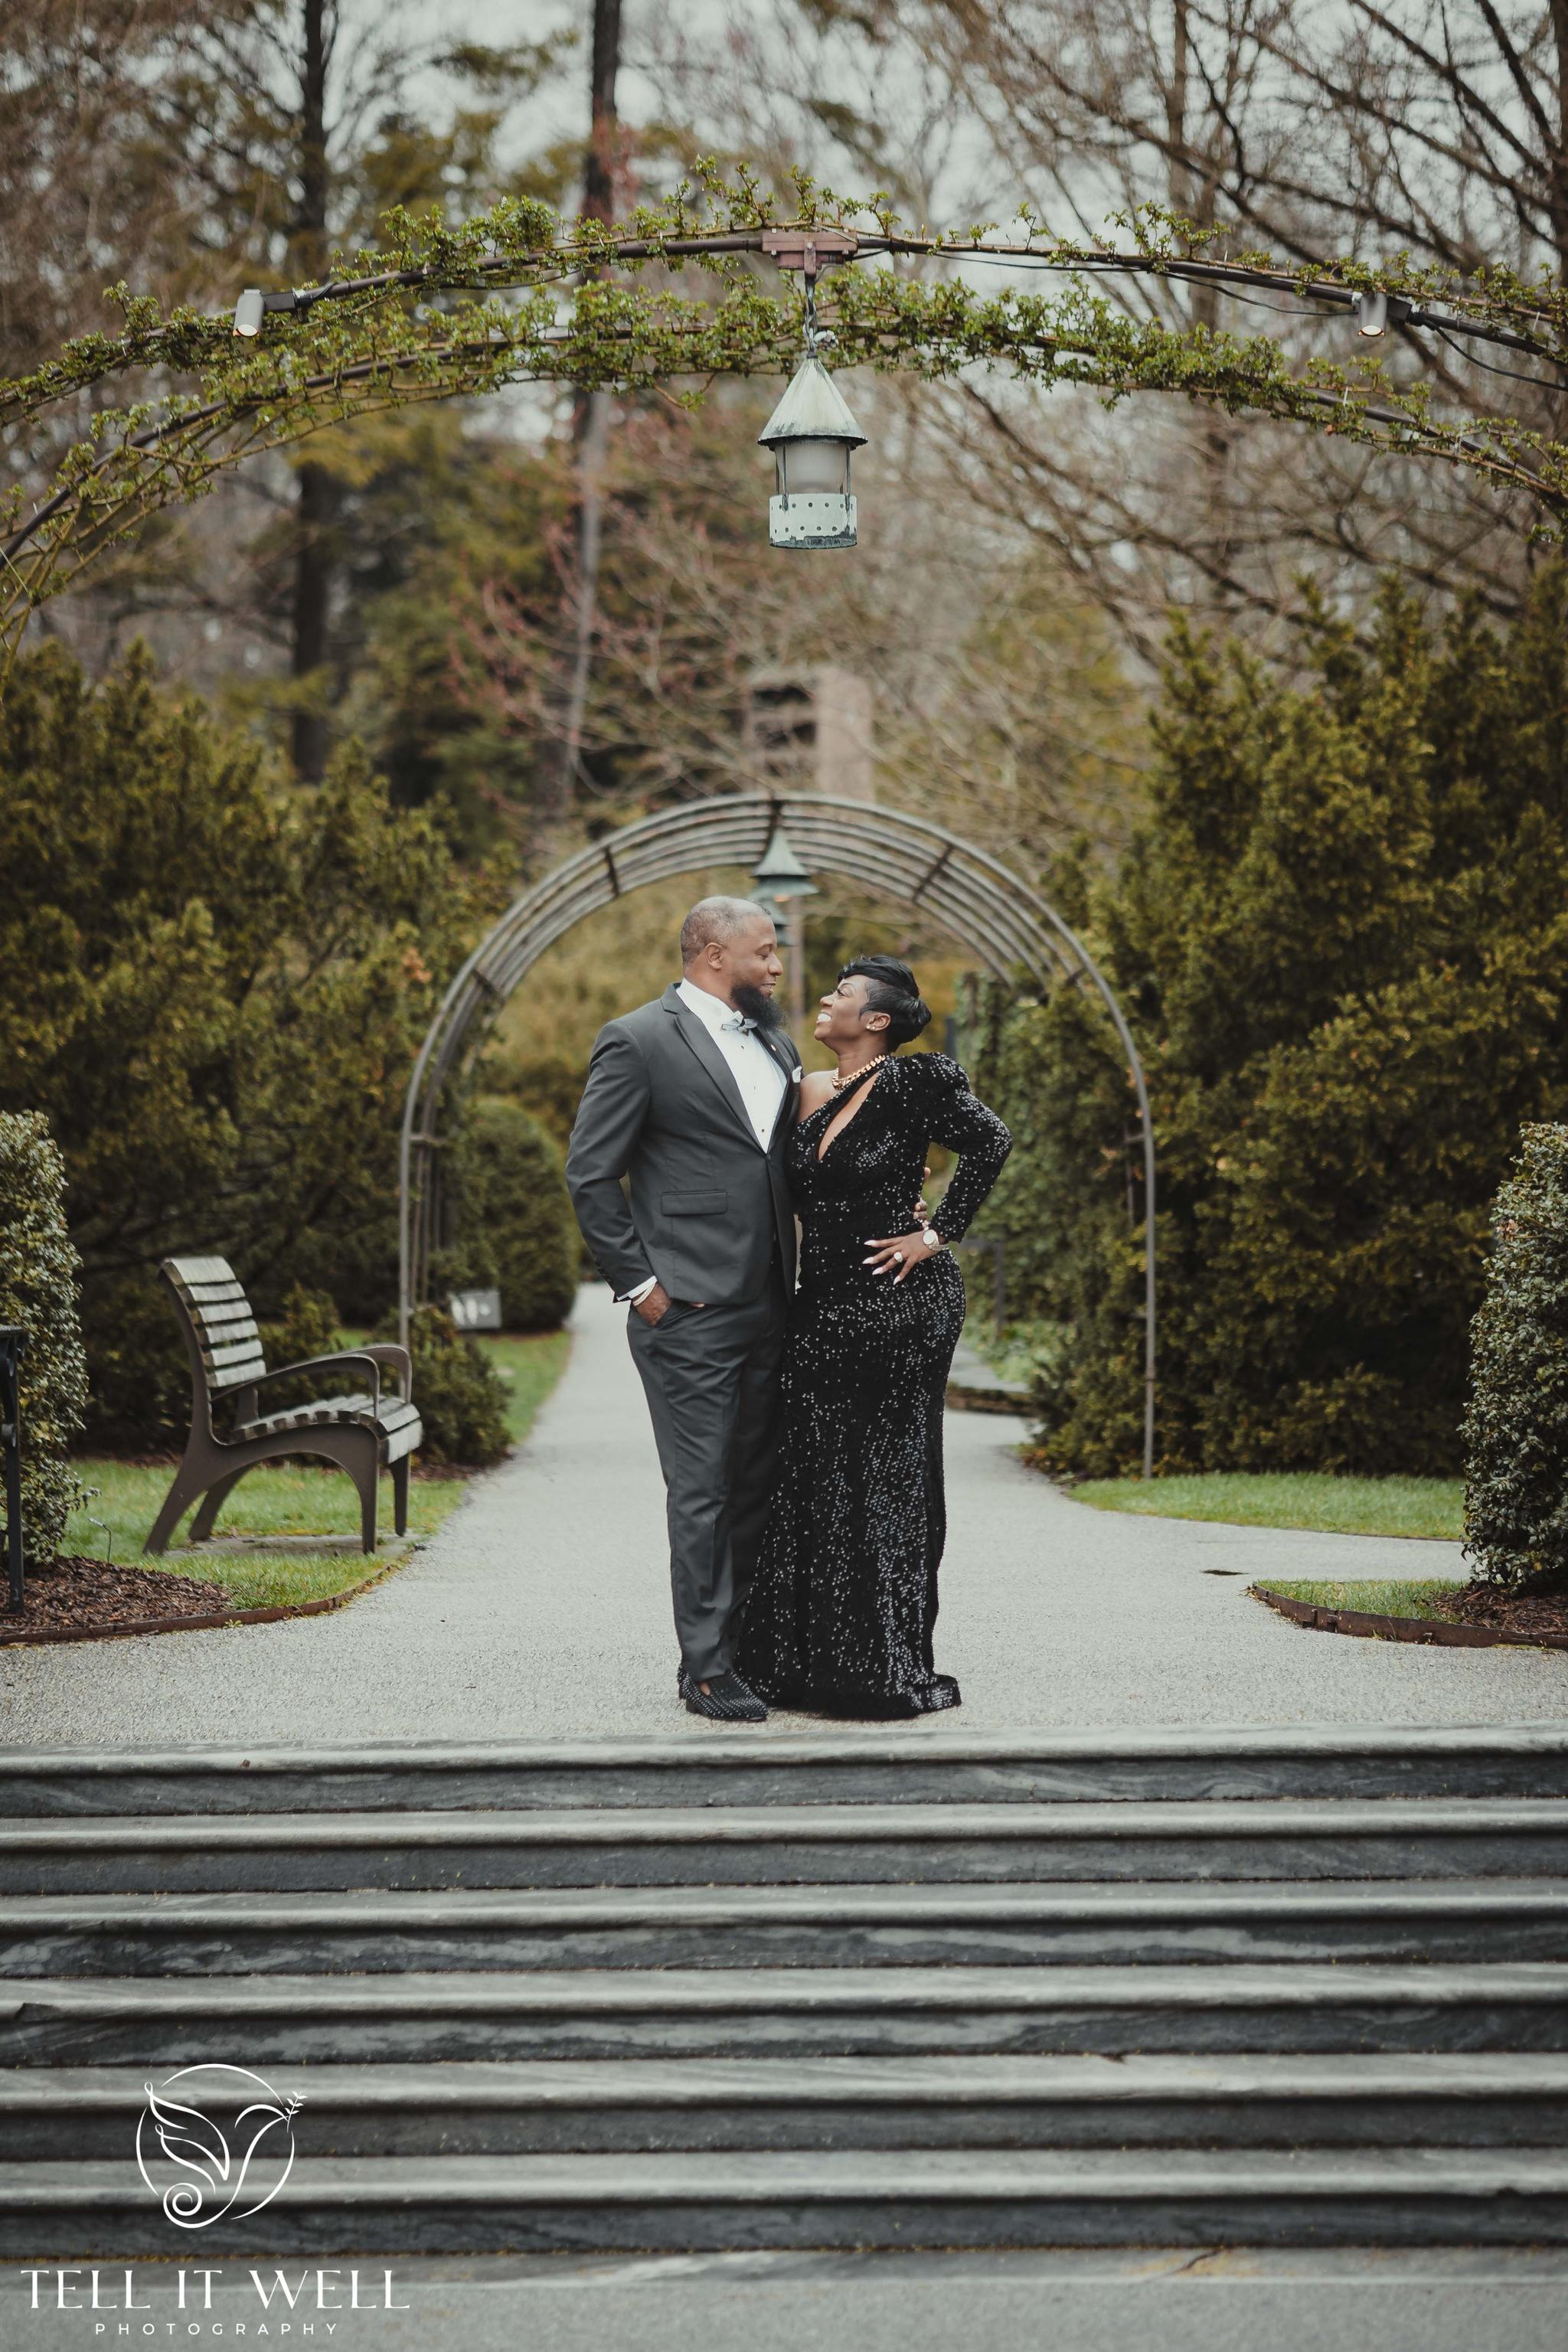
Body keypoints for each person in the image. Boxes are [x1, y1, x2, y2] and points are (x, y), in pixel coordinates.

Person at [737, 956, 1011, 1717]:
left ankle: (878, 1662)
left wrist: (937, 1233)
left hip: (902, 1303)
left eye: (843, 994)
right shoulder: (805, 1091)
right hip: (822, 1303)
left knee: (882, 1471)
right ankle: (805, 1659)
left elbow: (991, 1142)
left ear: (877, 1020)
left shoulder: (913, 1082)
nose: (826, 1000)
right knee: (812, 1469)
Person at [564, 896, 801, 1721]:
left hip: (770, 1302)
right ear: (712, 953)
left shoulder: (775, 1042)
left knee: (754, 1483)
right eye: (764, 952)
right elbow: (590, 1173)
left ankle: (736, 1649)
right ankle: (705, 1670)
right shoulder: (637, 1040)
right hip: (688, 1310)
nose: (776, 966)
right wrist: (641, 1286)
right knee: (700, 1489)